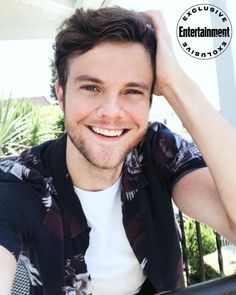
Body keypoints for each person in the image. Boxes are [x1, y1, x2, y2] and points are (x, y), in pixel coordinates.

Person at [1, 6, 236, 295]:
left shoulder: (156, 151)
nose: (111, 113)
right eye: (90, 87)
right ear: (61, 95)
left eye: (133, 91)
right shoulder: (20, 180)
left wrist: (177, 84)